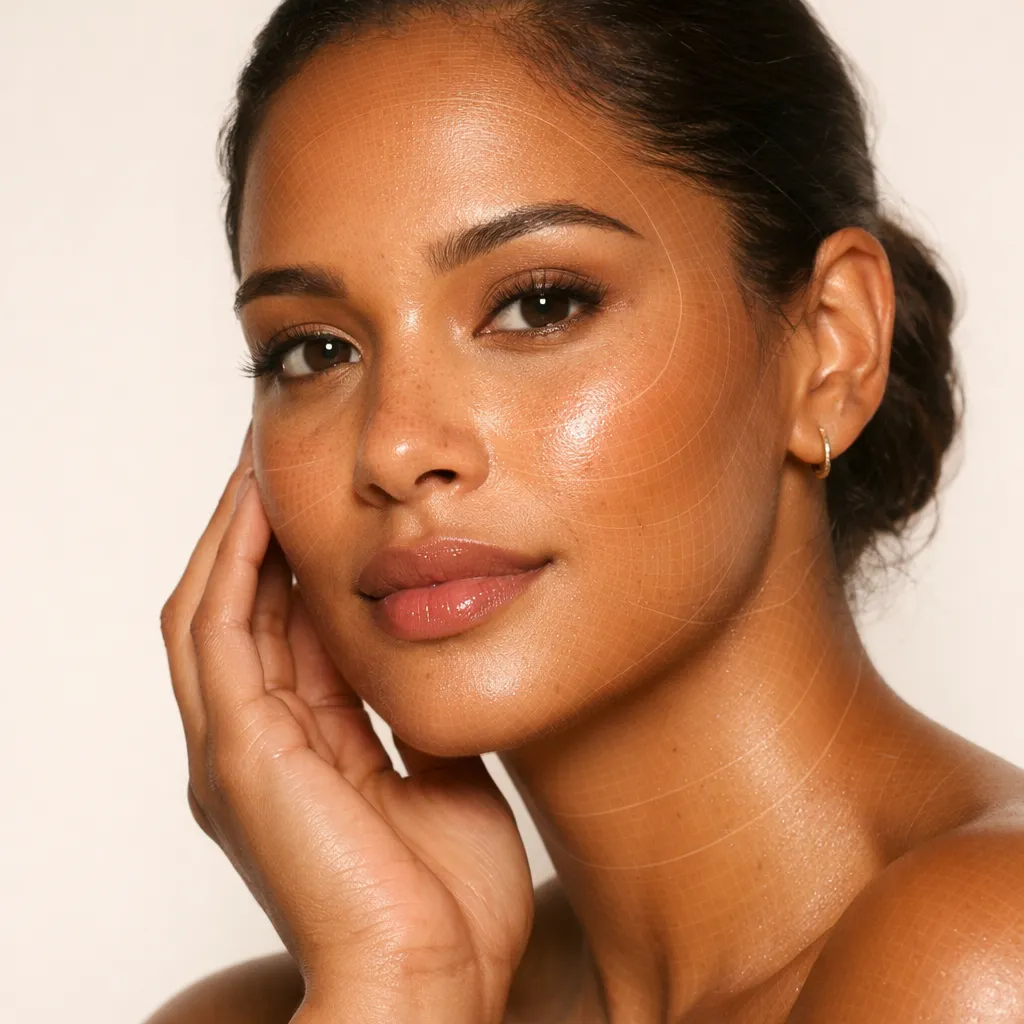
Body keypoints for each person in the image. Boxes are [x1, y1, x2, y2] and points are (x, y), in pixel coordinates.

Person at [147, 1, 1024, 1021]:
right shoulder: (300, 999)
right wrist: (399, 982)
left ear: (830, 346)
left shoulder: (984, 952)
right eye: (314, 351)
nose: (391, 448)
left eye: (540, 304)